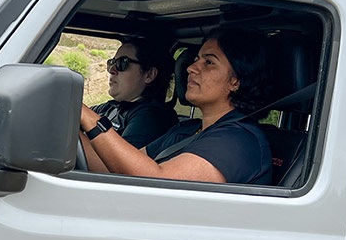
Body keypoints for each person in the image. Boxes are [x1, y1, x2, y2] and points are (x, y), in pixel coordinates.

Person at [79, 27, 274, 185]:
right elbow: (113, 166)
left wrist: (90, 119)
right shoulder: (188, 129)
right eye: (197, 59)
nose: (191, 68)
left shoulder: (237, 141)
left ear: (235, 81)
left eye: (209, 62)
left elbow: (157, 183)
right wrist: (71, 122)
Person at [89, 38, 178, 148]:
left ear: (149, 75)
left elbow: (116, 163)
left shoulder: (152, 117)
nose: (112, 69)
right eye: (112, 62)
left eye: (122, 63)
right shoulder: (111, 107)